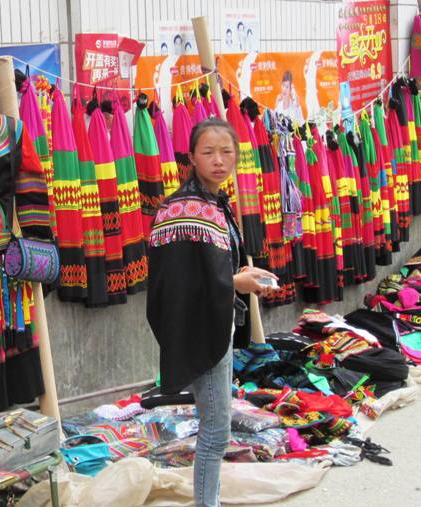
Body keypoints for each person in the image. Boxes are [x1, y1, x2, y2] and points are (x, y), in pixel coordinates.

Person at [146, 118, 277, 507]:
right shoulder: (184, 208)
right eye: (208, 152)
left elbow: (208, 267)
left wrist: (238, 274)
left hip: (214, 320)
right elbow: (179, 283)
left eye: (227, 152)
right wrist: (234, 284)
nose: (219, 160)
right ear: (191, 158)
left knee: (215, 425)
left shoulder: (214, 202)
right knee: (217, 429)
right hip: (199, 326)